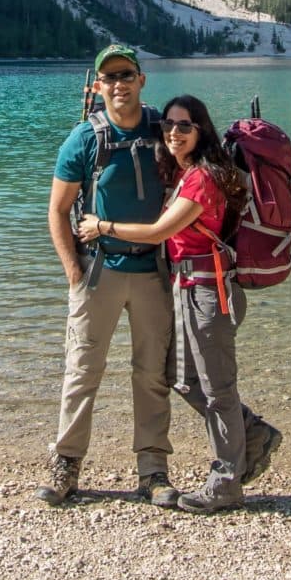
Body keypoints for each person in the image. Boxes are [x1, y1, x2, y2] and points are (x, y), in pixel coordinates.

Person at [80, 93, 282, 513]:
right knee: (183, 378)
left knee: (217, 387)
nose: (174, 132)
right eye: (168, 125)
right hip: (188, 288)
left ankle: (227, 480)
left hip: (210, 293)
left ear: (201, 130)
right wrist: (102, 109)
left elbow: (157, 232)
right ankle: (253, 433)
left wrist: (101, 226)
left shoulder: (203, 179)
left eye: (184, 125)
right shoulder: (187, 171)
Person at [38, 44, 175, 507]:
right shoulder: (84, 139)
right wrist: (73, 272)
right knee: (82, 369)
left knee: (151, 373)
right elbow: (57, 211)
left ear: (142, 80)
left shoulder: (165, 130)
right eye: (110, 77)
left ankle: (153, 469)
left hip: (154, 272)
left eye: (127, 74)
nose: (119, 84)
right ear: (98, 87)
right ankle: (67, 463)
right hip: (99, 270)